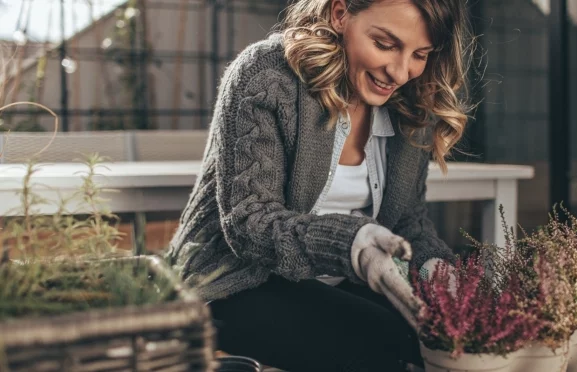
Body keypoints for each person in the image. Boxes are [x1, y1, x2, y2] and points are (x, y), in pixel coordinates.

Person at [166, 0, 473, 370]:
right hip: (233, 282)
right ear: (340, 14)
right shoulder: (267, 74)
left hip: (337, 281)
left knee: (439, 342)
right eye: (385, 44)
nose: (400, 71)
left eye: (419, 54)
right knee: (382, 351)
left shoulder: (412, 103)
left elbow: (408, 221)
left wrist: (435, 271)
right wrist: (353, 244)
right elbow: (249, 223)